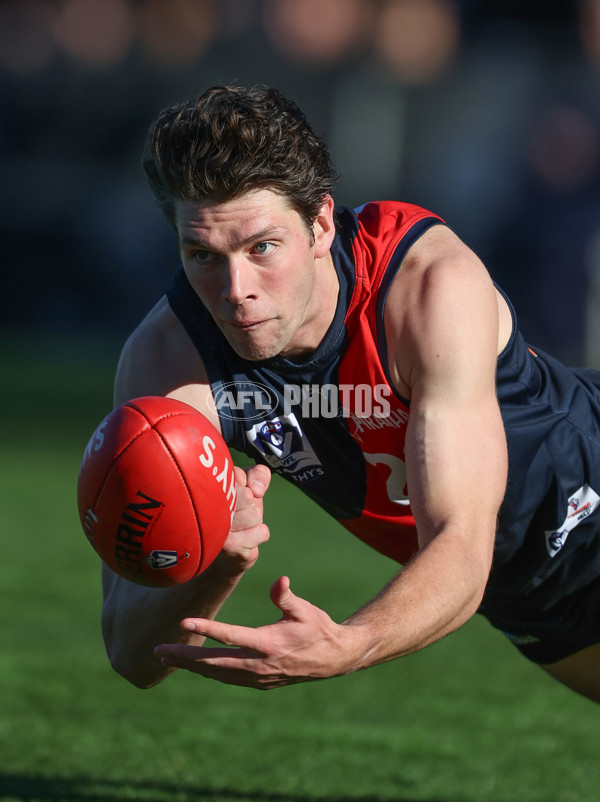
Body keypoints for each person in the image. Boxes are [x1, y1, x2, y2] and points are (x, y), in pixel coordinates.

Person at [101, 84, 600, 702]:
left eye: (262, 247)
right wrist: (217, 558)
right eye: (201, 254)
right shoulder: (170, 364)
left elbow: (462, 546)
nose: (235, 289)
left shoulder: (423, 286)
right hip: (532, 600)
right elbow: (129, 650)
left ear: (318, 224)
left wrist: (349, 643)